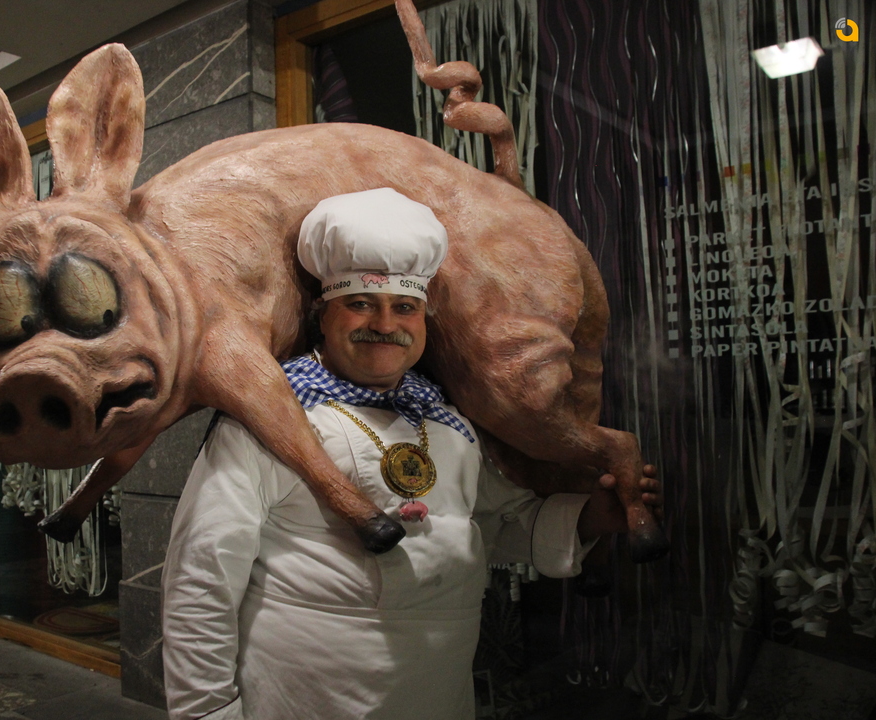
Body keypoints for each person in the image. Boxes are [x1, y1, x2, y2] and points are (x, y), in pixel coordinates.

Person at [160, 188, 661, 720]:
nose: (384, 324)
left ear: (424, 320)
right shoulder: (268, 424)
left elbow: (490, 528)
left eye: (404, 307)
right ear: (322, 315)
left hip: (438, 696)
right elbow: (201, 577)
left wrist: (589, 519)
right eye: (360, 304)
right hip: (301, 701)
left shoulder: (450, 425)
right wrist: (207, 713)